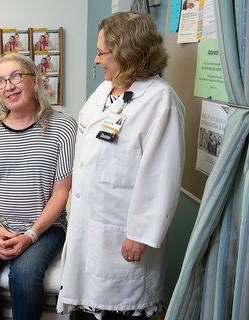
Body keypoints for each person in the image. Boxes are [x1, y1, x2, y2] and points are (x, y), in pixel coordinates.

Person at [57, 12, 185, 320]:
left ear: (127, 52)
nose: (97, 60)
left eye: (102, 52)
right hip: (89, 223)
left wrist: (140, 235)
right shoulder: (105, 90)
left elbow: (162, 176)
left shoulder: (160, 101)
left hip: (124, 234)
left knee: (121, 309)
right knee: (86, 307)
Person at [0, 53, 77, 320]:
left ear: (35, 82)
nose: (8, 86)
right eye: (0, 81)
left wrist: (31, 236)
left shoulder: (63, 127)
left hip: (45, 226)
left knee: (24, 276)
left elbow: (62, 192)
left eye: (16, 76)